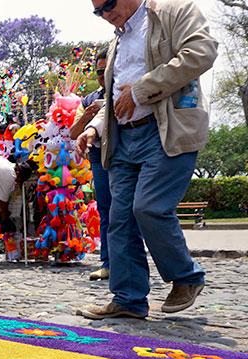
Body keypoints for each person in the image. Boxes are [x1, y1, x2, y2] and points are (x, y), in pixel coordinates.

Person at [77, 0, 216, 319]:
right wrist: (96, 129)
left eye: (108, 5)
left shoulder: (174, 12)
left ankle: (186, 276)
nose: (105, 14)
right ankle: (128, 298)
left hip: (165, 130)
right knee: (119, 219)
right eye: (97, 11)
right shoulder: (117, 40)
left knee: (149, 207)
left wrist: (142, 90)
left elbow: (202, 51)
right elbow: (114, 98)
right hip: (123, 138)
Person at [70, 50, 112, 281]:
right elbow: (73, 132)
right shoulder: (89, 99)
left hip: (125, 156)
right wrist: (87, 116)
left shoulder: (125, 90)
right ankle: (107, 262)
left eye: (106, 70)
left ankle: (130, 261)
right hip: (99, 159)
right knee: (105, 210)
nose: (102, 76)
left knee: (130, 211)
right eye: (98, 72)